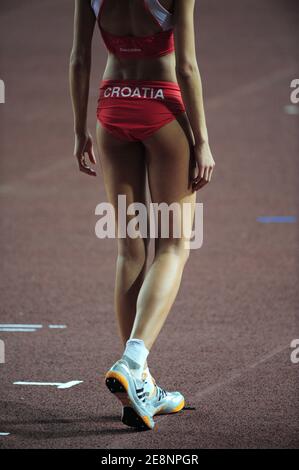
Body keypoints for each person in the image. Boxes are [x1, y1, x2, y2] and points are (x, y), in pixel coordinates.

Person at [70, 0, 215, 430]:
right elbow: (185, 66)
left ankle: (139, 384)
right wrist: (203, 140)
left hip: (112, 110)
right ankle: (134, 361)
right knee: (174, 246)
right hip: (163, 108)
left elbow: (80, 58)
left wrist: (80, 129)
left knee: (129, 252)